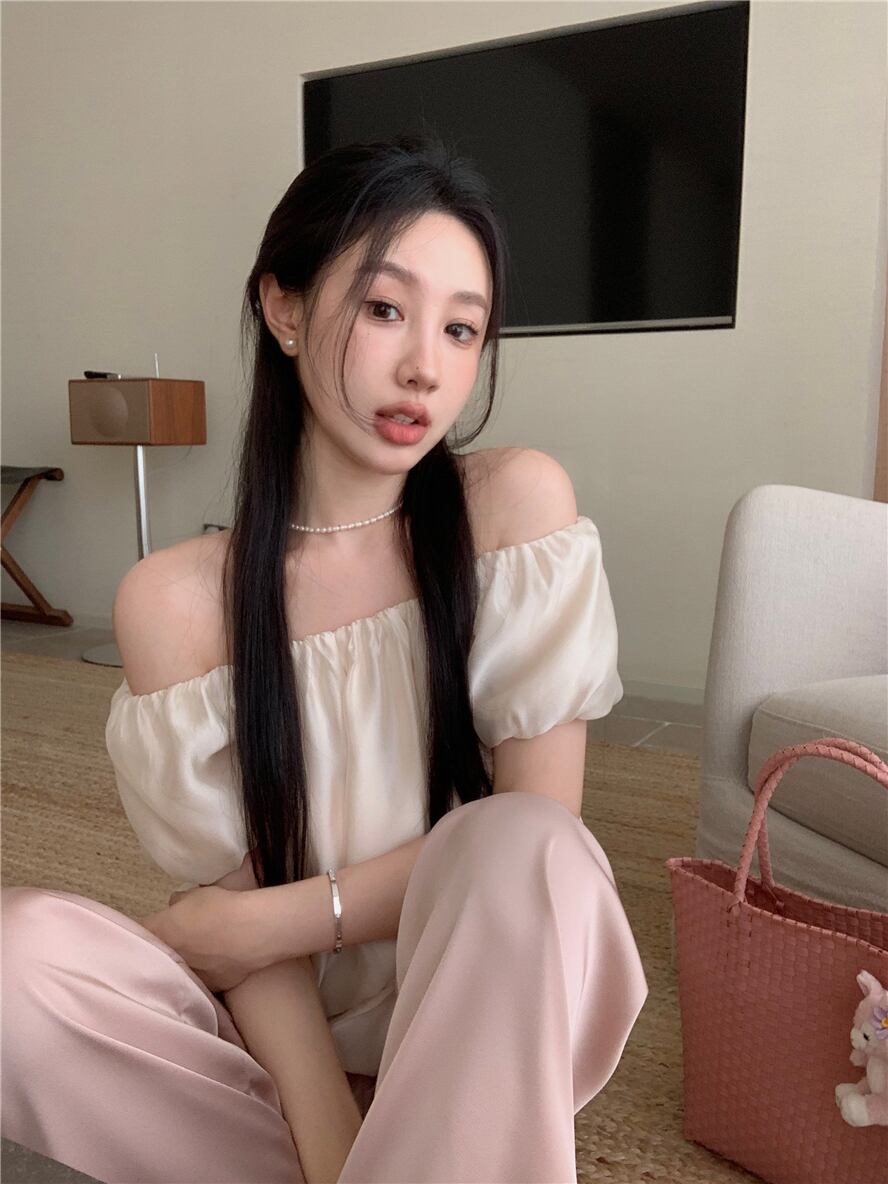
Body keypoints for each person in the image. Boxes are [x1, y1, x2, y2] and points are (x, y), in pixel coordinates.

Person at [1, 132, 648, 1184]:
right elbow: (245, 963)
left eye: (462, 328)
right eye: (386, 309)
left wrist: (259, 923)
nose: (425, 366)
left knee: (525, 843)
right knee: (17, 960)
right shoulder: (175, 602)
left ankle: (447, 1134)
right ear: (285, 308)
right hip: (274, 1061)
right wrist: (333, 1141)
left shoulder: (512, 509)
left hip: (477, 1018)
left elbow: (533, 847)